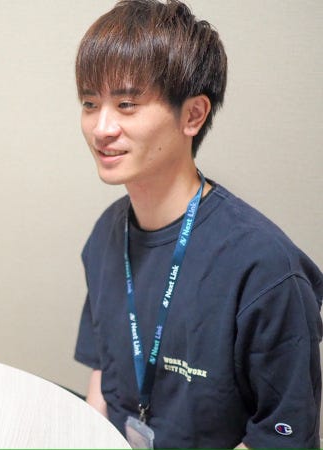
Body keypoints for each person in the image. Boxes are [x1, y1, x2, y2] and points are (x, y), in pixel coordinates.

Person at [72, 0, 323, 448]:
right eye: (90, 103)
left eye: (126, 104)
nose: (101, 128)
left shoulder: (265, 268)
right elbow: (102, 371)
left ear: (193, 115)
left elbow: (282, 436)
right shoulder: (106, 233)